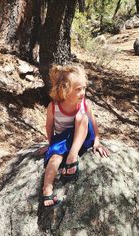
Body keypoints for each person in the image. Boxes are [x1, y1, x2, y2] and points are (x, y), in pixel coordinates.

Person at [41, 64, 109, 208]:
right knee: (54, 158)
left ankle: (72, 156)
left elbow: (94, 124)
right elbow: (49, 126)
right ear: (65, 90)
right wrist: (51, 145)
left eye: (84, 88)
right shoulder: (54, 107)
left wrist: (97, 141)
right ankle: (47, 189)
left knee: (82, 117)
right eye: (78, 89)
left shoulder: (85, 104)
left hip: (82, 137)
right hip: (63, 139)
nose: (83, 92)